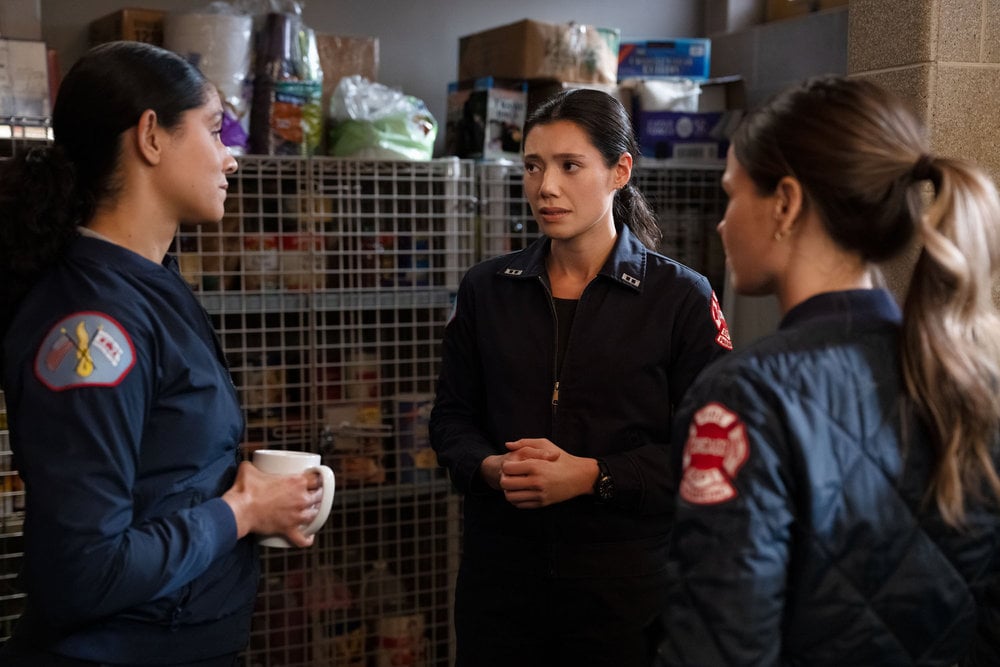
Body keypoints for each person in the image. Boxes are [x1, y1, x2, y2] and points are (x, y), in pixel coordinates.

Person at [0, 41, 328, 666]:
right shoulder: (91, 325)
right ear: (151, 136)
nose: (231, 157)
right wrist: (240, 510)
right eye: (214, 129)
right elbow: (85, 571)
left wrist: (239, 486)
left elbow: (157, 470)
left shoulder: (151, 284)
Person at [656, 75, 1000, 666]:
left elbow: (721, 646)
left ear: (786, 204)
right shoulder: (976, 376)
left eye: (732, 195)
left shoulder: (746, 398)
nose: (722, 223)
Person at [429, 88, 733, 667]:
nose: (546, 186)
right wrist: (490, 468)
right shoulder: (488, 289)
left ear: (620, 171)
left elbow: (710, 450)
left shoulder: (680, 298)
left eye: (570, 166)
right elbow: (451, 417)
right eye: (533, 166)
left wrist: (594, 476)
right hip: (501, 583)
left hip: (625, 589)